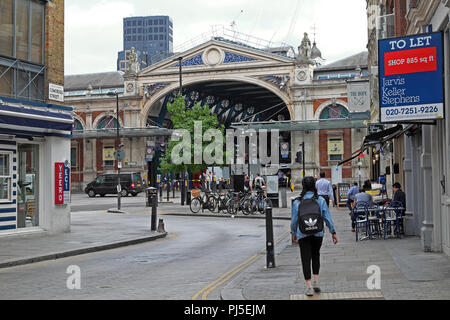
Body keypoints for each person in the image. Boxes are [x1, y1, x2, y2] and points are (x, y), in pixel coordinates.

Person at [291, 176, 338, 297]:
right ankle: (316, 281)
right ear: (314, 186)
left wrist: (293, 233)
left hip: (303, 233)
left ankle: (309, 287)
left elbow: (294, 221)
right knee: (316, 255)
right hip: (318, 233)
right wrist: (333, 232)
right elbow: (327, 217)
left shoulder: (297, 201)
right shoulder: (320, 200)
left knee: (305, 258)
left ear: (303, 186)